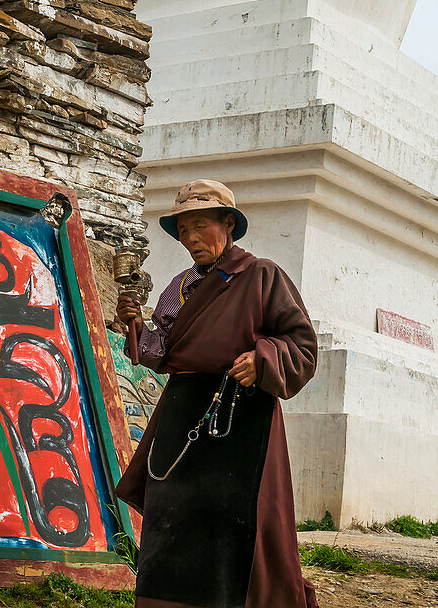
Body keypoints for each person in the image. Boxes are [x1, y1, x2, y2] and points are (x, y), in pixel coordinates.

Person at [115, 179, 319, 608]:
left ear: (228, 224)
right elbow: (161, 350)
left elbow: (302, 346)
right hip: (182, 412)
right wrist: (136, 327)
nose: (190, 238)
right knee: (170, 524)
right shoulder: (179, 286)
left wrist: (263, 358)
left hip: (239, 419)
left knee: (230, 530)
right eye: (183, 229)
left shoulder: (262, 275)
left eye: (199, 225)